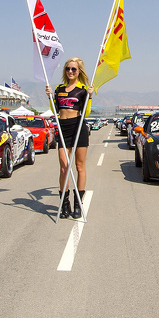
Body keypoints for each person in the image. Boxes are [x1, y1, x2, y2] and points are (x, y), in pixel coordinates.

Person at [45, 57, 94, 219]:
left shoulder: (83, 89)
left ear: (79, 71)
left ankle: (78, 204)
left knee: (80, 167)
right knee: (64, 168)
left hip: (78, 126)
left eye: (74, 69)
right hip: (63, 127)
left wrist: (90, 97)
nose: (71, 71)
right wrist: (50, 97)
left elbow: (85, 113)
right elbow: (55, 110)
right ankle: (64, 204)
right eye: (68, 69)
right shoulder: (59, 88)